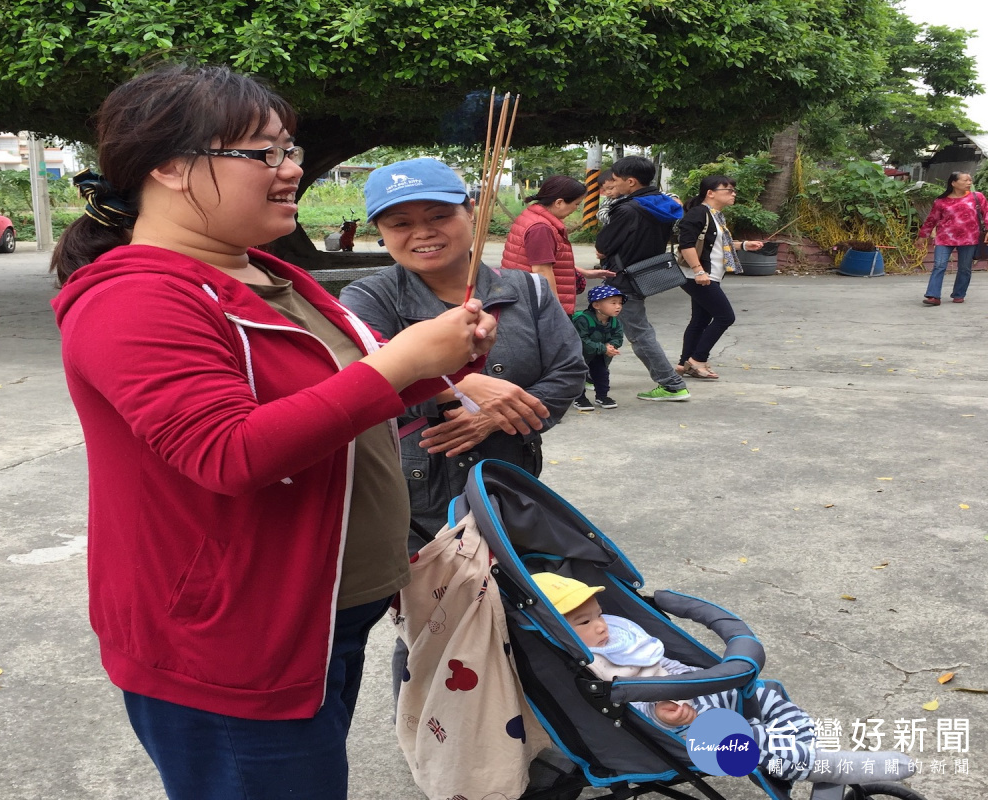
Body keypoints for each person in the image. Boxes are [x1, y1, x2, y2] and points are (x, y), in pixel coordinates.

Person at [47, 65, 526, 800]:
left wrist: (441, 364)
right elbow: (230, 453)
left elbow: (340, 400)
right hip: (236, 635)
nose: (292, 169)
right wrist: (402, 360)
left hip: (326, 606)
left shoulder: (270, 276)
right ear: (170, 166)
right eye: (263, 153)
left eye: (289, 149)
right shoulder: (135, 298)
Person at [340, 157, 586, 538]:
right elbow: (355, 382)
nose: (422, 233)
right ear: (381, 231)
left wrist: (493, 417)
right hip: (411, 505)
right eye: (400, 223)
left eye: (438, 216)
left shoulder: (529, 291)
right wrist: (459, 388)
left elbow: (568, 372)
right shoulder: (368, 298)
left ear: (470, 212)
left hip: (512, 484)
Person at [532, 574, 918, 797]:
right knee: (737, 737)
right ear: (558, 633)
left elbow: (658, 659)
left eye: (597, 614)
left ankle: (805, 755)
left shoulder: (613, 636)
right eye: (583, 623)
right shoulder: (585, 664)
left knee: (766, 695)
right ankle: (828, 766)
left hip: (692, 688)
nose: (600, 626)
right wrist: (667, 715)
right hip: (660, 723)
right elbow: (622, 702)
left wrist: (691, 678)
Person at [594, 155, 690, 402]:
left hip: (622, 277)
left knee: (639, 333)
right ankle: (593, 373)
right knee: (606, 322)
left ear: (631, 182)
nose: (613, 185)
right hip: (644, 274)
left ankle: (671, 385)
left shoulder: (627, 209)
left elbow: (603, 245)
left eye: (615, 180)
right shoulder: (662, 203)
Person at [674, 175, 764, 380]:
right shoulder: (699, 213)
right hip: (696, 275)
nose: (733, 194)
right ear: (710, 193)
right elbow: (686, 244)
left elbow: (716, 245)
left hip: (707, 275)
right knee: (725, 316)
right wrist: (698, 270)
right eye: (728, 190)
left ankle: (684, 363)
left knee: (701, 318)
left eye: (734, 190)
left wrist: (744, 245)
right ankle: (697, 360)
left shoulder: (716, 215)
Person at [501, 174, 615, 315]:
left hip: (524, 298)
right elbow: (542, 270)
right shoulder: (541, 228)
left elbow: (544, 260)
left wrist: (583, 272)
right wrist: (554, 309)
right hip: (534, 306)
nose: (576, 208)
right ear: (559, 202)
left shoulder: (533, 216)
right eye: (576, 204)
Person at [916, 171, 987, 306]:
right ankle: (933, 296)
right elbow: (932, 219)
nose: (969, 183)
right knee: (939, 265)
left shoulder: (977, 197)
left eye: (970, 180)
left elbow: (987, 212)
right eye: (965, 180)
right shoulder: (941, 201)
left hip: (969, 238)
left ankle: (959, 294)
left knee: (965, 268)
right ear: (954, 183)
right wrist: (922, 236)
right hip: (944, 238)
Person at [570, 284, 625, 411]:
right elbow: (581, 340)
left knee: (602, 373)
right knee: (579, 375)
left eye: (620, 303)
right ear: (596, 305)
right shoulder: (583, 320)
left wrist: (611, 346)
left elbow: (618, 337)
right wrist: (603, 348)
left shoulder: (615, 321)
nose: (618, 306)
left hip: (599, 354)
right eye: (613, 303)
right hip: (580, 354)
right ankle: (579, 398)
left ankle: (602, 396)